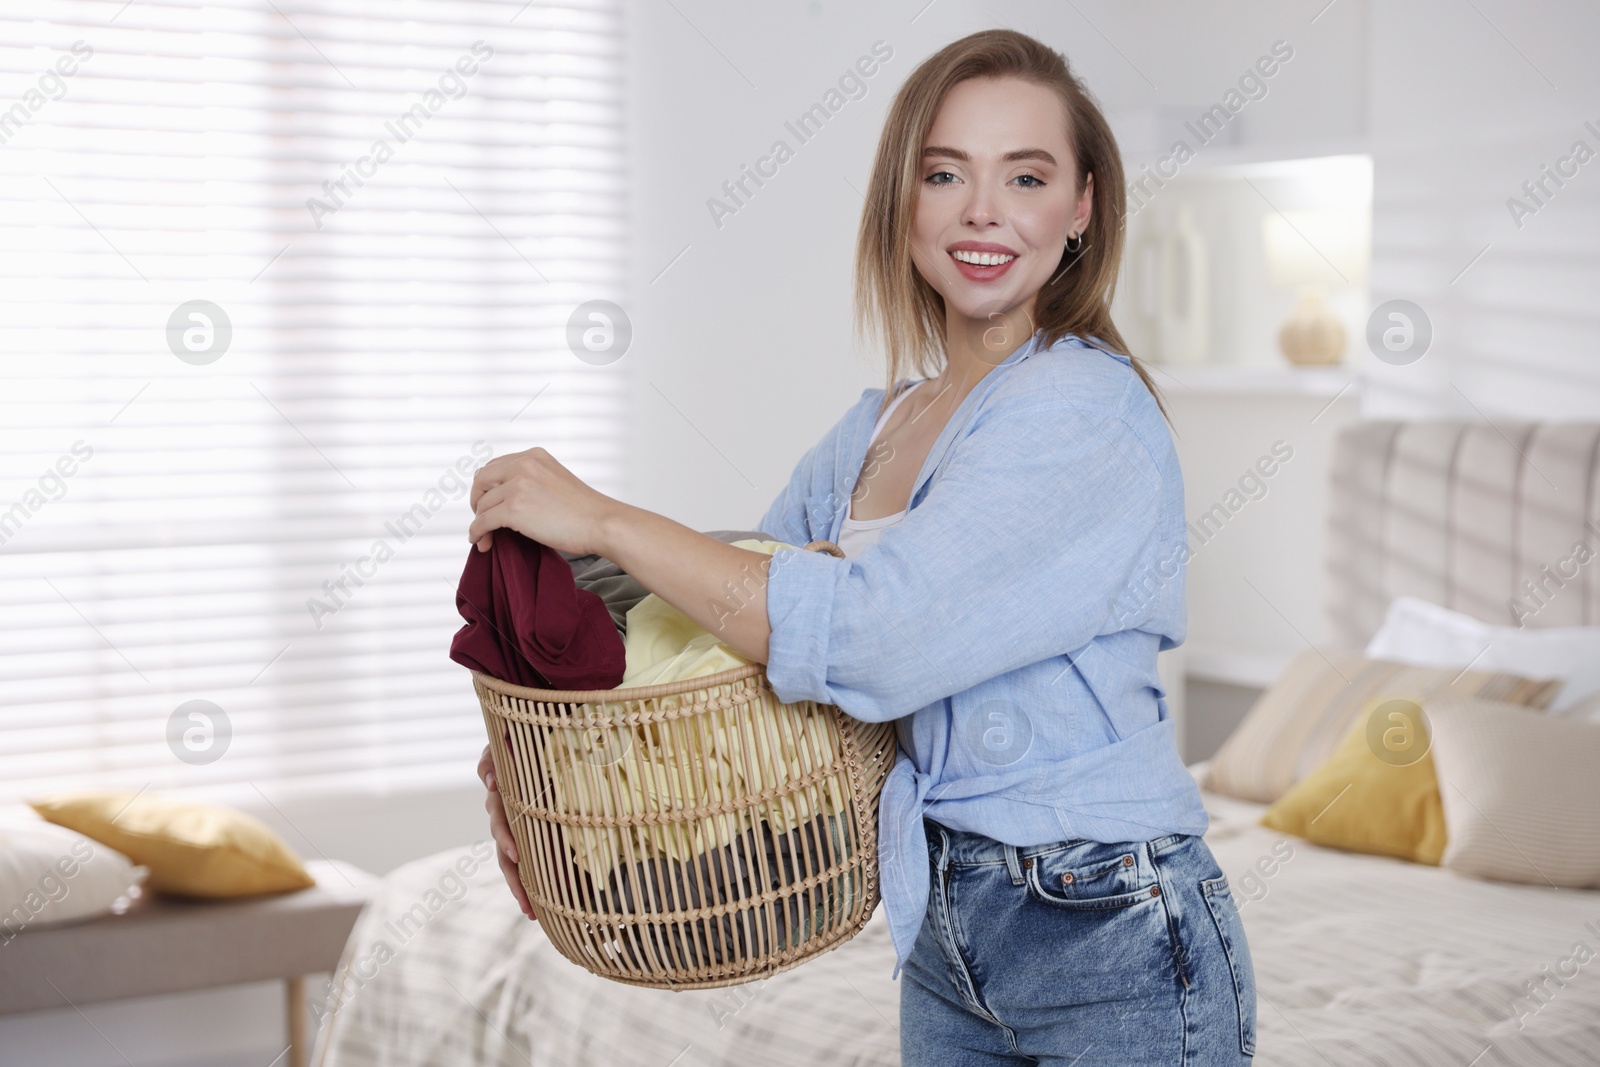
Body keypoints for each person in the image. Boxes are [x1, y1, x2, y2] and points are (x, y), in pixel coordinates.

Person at [471, 27, 1257, 1067]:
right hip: (944, 918)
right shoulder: (879, 427)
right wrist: (552, 773)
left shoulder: (1083, 412)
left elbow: (869, 636)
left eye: (1025, 175)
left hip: (1106, 920)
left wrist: (605, 519)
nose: (982, 209)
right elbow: (735, 628)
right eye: (945, 173)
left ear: (1081, 209)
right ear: (905, 201)